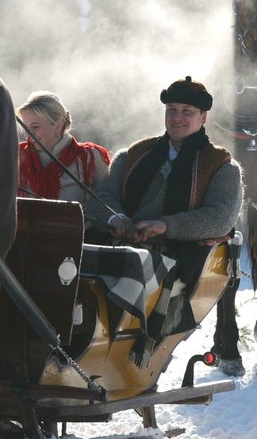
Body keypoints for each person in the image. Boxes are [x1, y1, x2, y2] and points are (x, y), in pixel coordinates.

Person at [84, 76, 243, 364]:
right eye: (171, 109)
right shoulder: (134, 154)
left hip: (172, 255)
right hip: (118, 239)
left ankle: (125, 349)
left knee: (132, 266)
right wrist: (116, 218)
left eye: (187, 111)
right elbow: (101, 197)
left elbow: (220, 219)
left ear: (203, 117)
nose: (177, 117)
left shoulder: (222, 166)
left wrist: (165, 226)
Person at [17, 91, 111, 236]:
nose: (28, 134)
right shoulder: (15, 155)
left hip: (79, 242)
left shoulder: (89, 158)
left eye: (35, 127)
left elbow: (107, 201)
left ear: (58, 125)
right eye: (25, 128)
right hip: (26, 240)